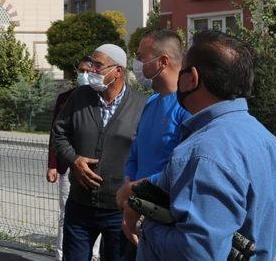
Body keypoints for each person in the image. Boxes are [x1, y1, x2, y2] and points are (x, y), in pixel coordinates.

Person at [137, 30, 276, 260]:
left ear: (192, 78)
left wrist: (147, 226)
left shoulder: (203, 152)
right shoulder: (269, 141)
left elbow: (195, 252)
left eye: (182, 71)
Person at [52, 45, 147, 261]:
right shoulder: (80, 97)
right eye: (91, 64)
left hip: (118, 209)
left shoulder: (141, 105)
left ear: (118, 71)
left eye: (98, 65)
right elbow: (59, 134)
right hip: (80, 206)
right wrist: (74, 159)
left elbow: (147, 153)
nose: (91, 70)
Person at [114, 30, 191, 258]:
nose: (136, 64)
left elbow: (181, 169)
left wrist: (135, 190)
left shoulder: (187, 107)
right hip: (138, 214)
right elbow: (135, 154)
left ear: (163, 61)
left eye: (141, 56)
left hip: (167, 221)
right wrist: (128, 184)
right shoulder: (152, 102)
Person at [46, 58, 102, 261]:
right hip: (67, 165)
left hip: (93, 166)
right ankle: (61, 255)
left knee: (95, 214)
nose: (84, 74)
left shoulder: (101, 97)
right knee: (65, 214)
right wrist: (52, 164)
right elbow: (55, 134)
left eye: (88, 70)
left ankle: (93, 255)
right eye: (81, 70)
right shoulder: (65, 98)